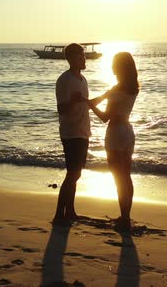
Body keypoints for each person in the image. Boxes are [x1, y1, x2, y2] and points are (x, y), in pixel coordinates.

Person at [87, 52, 140, 231]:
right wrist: (94, 101)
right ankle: (126, 216)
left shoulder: (117, 89)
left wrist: (91, 106)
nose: (111, 66)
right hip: (128, 131)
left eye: (113, 64)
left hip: (116, 133)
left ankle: (124, 219)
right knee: (126, 175)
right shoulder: (132, 87)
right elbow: (102, 98)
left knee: (118, 176)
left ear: (118, 67)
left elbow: (105, 117)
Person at [53, 43, 90, 225]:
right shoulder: (64, 80)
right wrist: (73, 102)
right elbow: (61, 109)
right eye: (80, 56)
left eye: (83, 56)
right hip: (70, 132)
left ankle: (71, 211)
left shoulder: (83, 80)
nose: (84, 59)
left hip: (83, 131)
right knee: (72, 173)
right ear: (72, 58)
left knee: (77, 173)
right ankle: (60, 213)